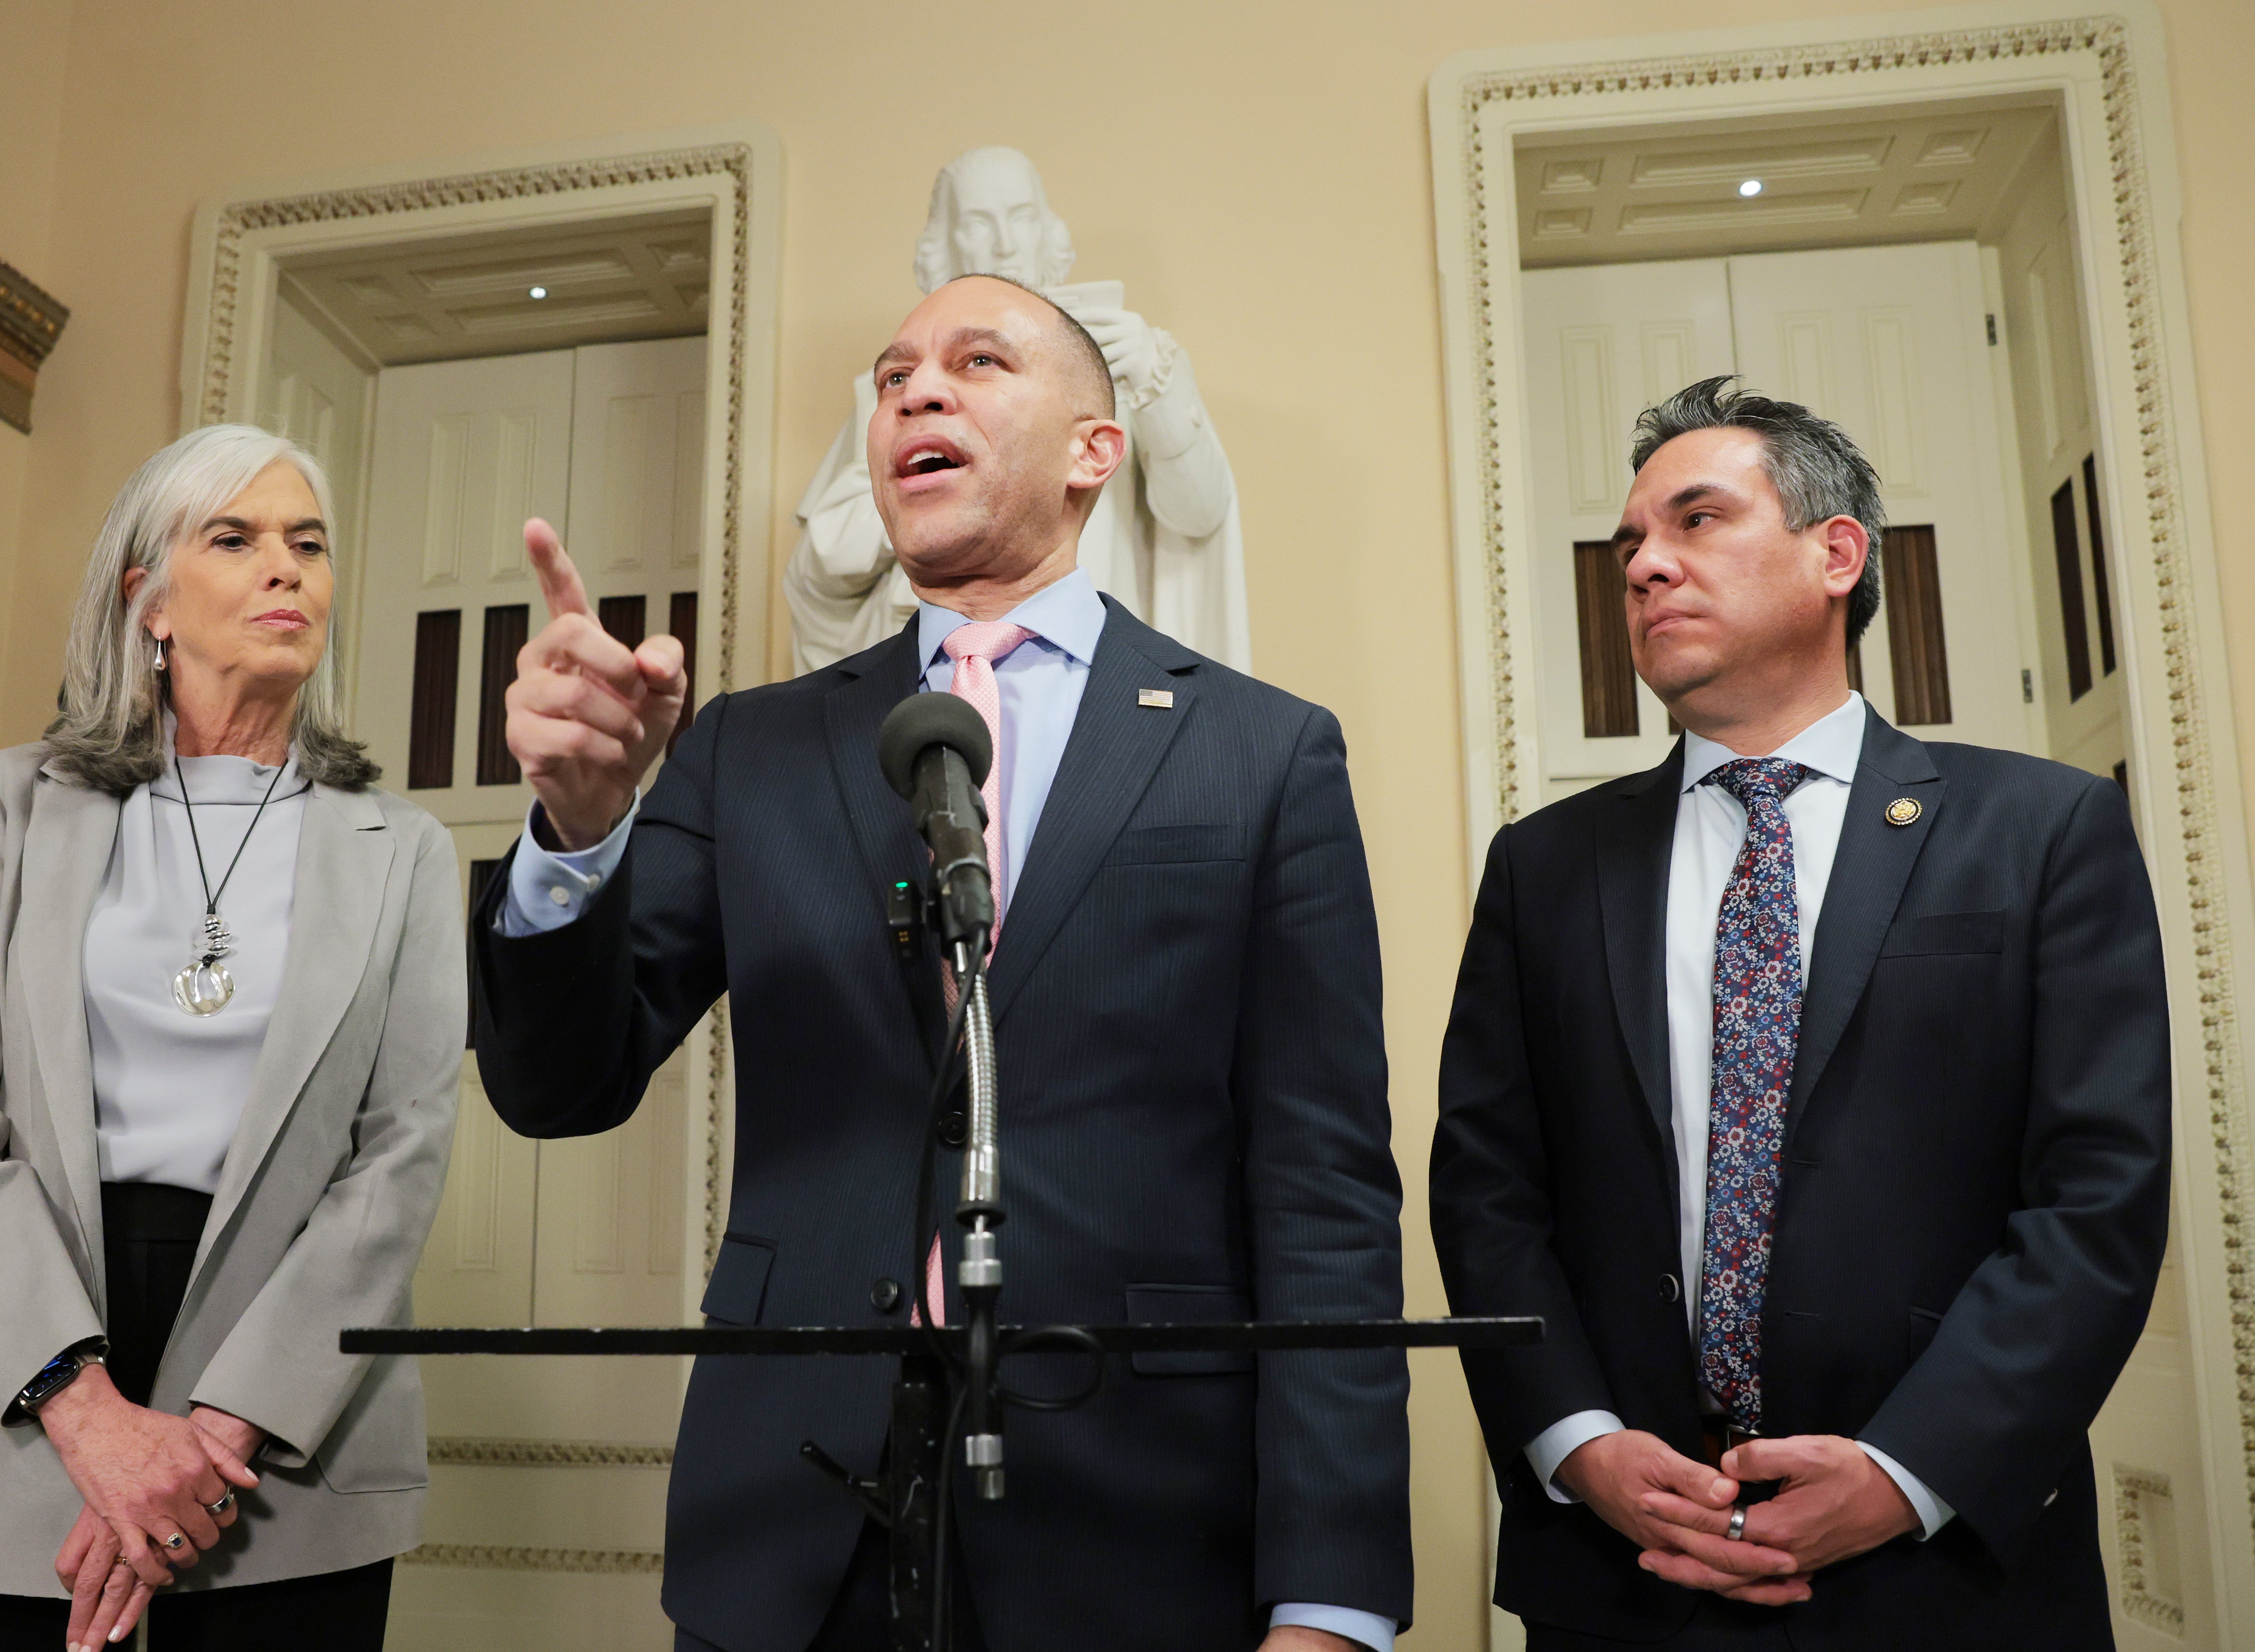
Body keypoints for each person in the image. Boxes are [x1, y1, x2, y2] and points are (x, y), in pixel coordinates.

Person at [474, 273, 1407, 1650]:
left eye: (977, 362)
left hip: (1138, 1520)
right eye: (893, 371)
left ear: (1095, 447)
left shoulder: (1259, 752)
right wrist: (577, 830)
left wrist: (1329, 1595)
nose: (914, 388)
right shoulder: (751, 746)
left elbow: (1323, 1184)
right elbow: (561, 1081)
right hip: (790, 1525)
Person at [1430, 376, 2169, 1649]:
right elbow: (1485, 1186)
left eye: (1695, 520)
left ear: (1835, 553)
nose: (1645, 567)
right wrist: (1576, 1442)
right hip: (1627, 1569)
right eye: (1626, 550)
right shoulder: (1542, 866)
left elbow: (2098, 1194)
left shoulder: (2040, 833)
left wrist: (1906, 1470)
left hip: (1947, 1573)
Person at [0, 425, 464, 1651]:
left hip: (288, 1428)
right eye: (233, 538)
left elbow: (401, 1155)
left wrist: (217, 1434)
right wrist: (91, 1417)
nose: (286, 567)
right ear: (151, 601)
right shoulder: (9, 804)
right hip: (2, 1378)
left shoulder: (406, 852)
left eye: (309, 543)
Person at [783, 146, 1248, 675]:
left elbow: (1199, 513)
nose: (1004, 245)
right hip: (925, 662)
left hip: (1092, 659)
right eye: (980, 224)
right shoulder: (898, 399)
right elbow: (821, 573)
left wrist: (1156, 382)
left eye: (1021, 219)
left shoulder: (1134, 362)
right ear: (945, 244)